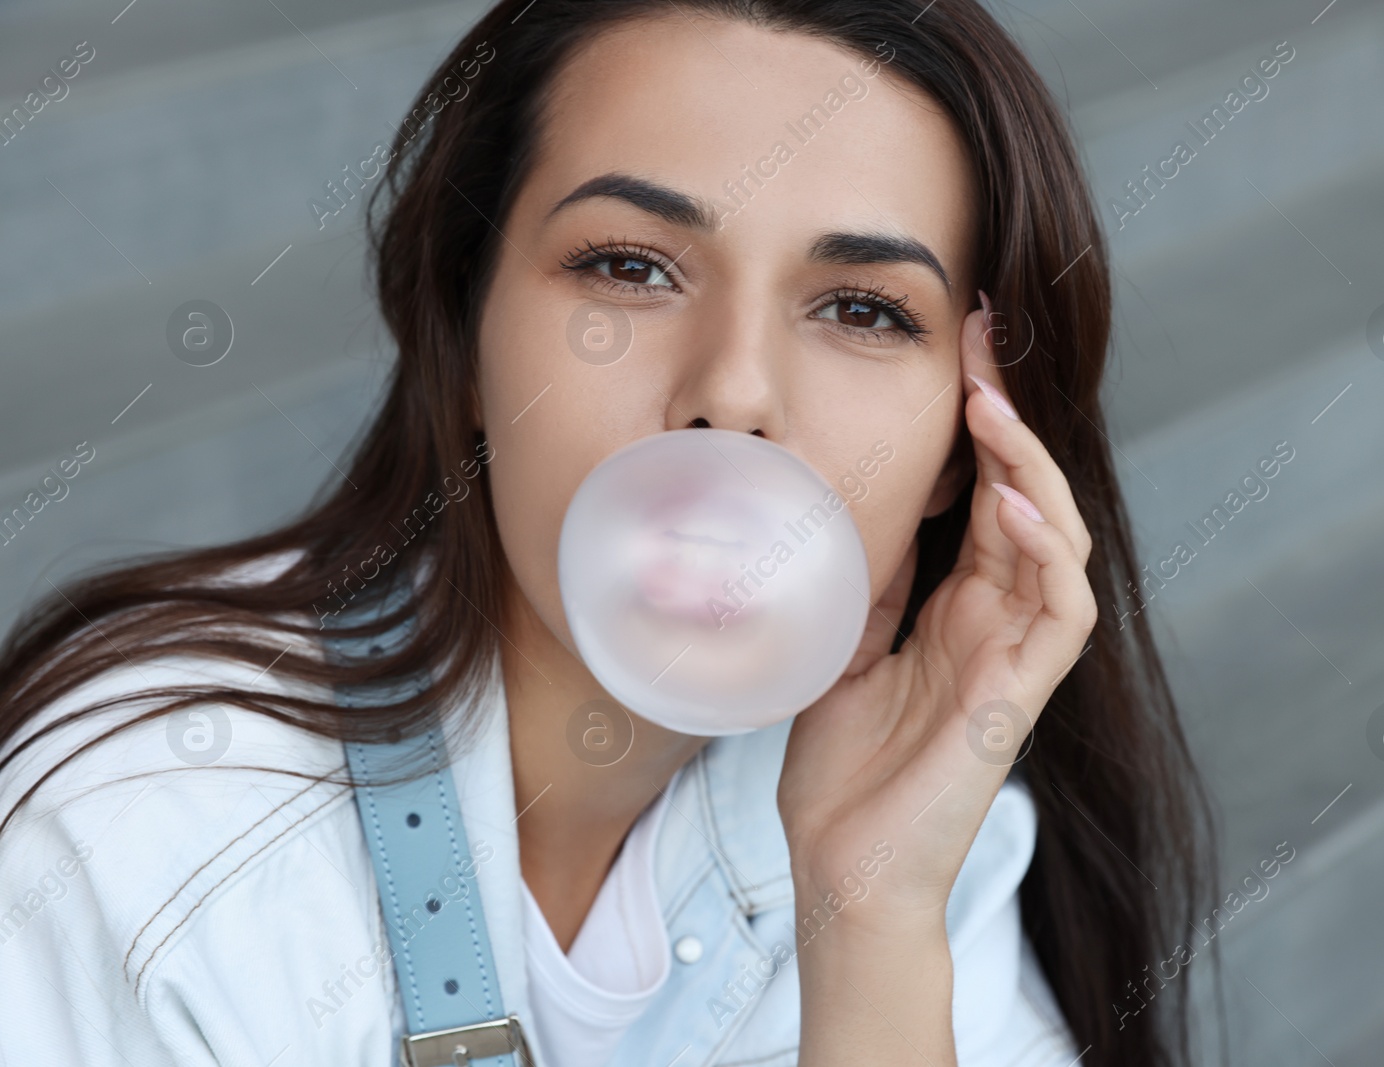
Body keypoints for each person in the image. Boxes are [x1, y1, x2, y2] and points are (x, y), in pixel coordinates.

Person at [0, 1, 1214, 1064]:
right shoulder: (147, 841)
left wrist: (870, 919)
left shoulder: (924, 820)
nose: (732, 392)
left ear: (968, 441)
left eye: (861, 308)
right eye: (630, 268)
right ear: (463, 336)